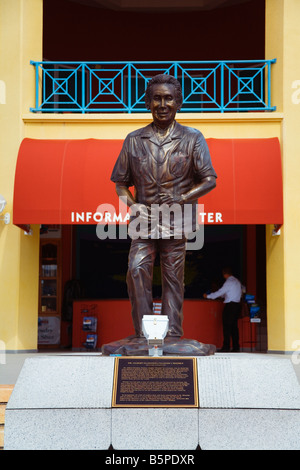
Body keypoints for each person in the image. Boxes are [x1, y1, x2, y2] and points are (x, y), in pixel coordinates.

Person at [111, 74, 217, 338]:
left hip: (177, 218)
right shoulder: (134, 139)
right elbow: (120, 184)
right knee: (136, 271)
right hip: (143, 219)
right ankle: (144, 334)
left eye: (168, 98)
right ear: (148, 102)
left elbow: (209, 180)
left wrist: (183, 197)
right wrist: (134, 206)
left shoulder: (193, 138)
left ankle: (171, 335)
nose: (162, 104)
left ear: (178, 102)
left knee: (173, 280)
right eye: (157, 98)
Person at [204, 267, 243, 352]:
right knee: (234, 327)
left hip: (230, 306)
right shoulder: (237, 281)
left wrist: (208, 296)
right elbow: (226, 293)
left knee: (227, 327)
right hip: (237, 305)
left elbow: (221, 292)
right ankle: (236, 347)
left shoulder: (229, 282)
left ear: (224, 274)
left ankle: (226, 347)